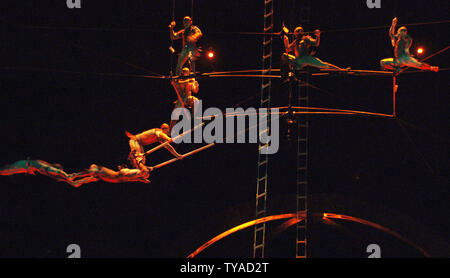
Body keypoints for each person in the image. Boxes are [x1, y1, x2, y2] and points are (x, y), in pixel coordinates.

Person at [281, 26, 347, 76]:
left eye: (301, 30)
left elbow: (316, 43)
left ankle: (341, 70)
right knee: (284, 56)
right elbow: (288, 49)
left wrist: (318, 36)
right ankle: (291, 72)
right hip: (298, 60)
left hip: (306, 58)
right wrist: (286, 40)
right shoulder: (295, 42)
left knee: (324, 64)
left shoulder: (306, 39)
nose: (300, 31)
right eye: (298, 30)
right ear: (295, 33)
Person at [0, 158, 75, 185]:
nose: (53, 173)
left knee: (5, 171)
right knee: (4, 171)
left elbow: (56, 176)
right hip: (24, 165)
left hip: (24, 166)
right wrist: (67, 176)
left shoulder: (45, 166)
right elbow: (58, 172)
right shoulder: (47, 167)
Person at [70, 164, 152, 187]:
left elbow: (140, 174)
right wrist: (142, 180)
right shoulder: (130, 175)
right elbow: (134, 179)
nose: (119, 167)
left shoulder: (125, 171)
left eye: (120, 166)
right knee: (95, 174)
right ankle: (78, 181)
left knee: (94, 168)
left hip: (114, 177)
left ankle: (75, 176)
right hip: (114, 178)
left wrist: (140, 163)